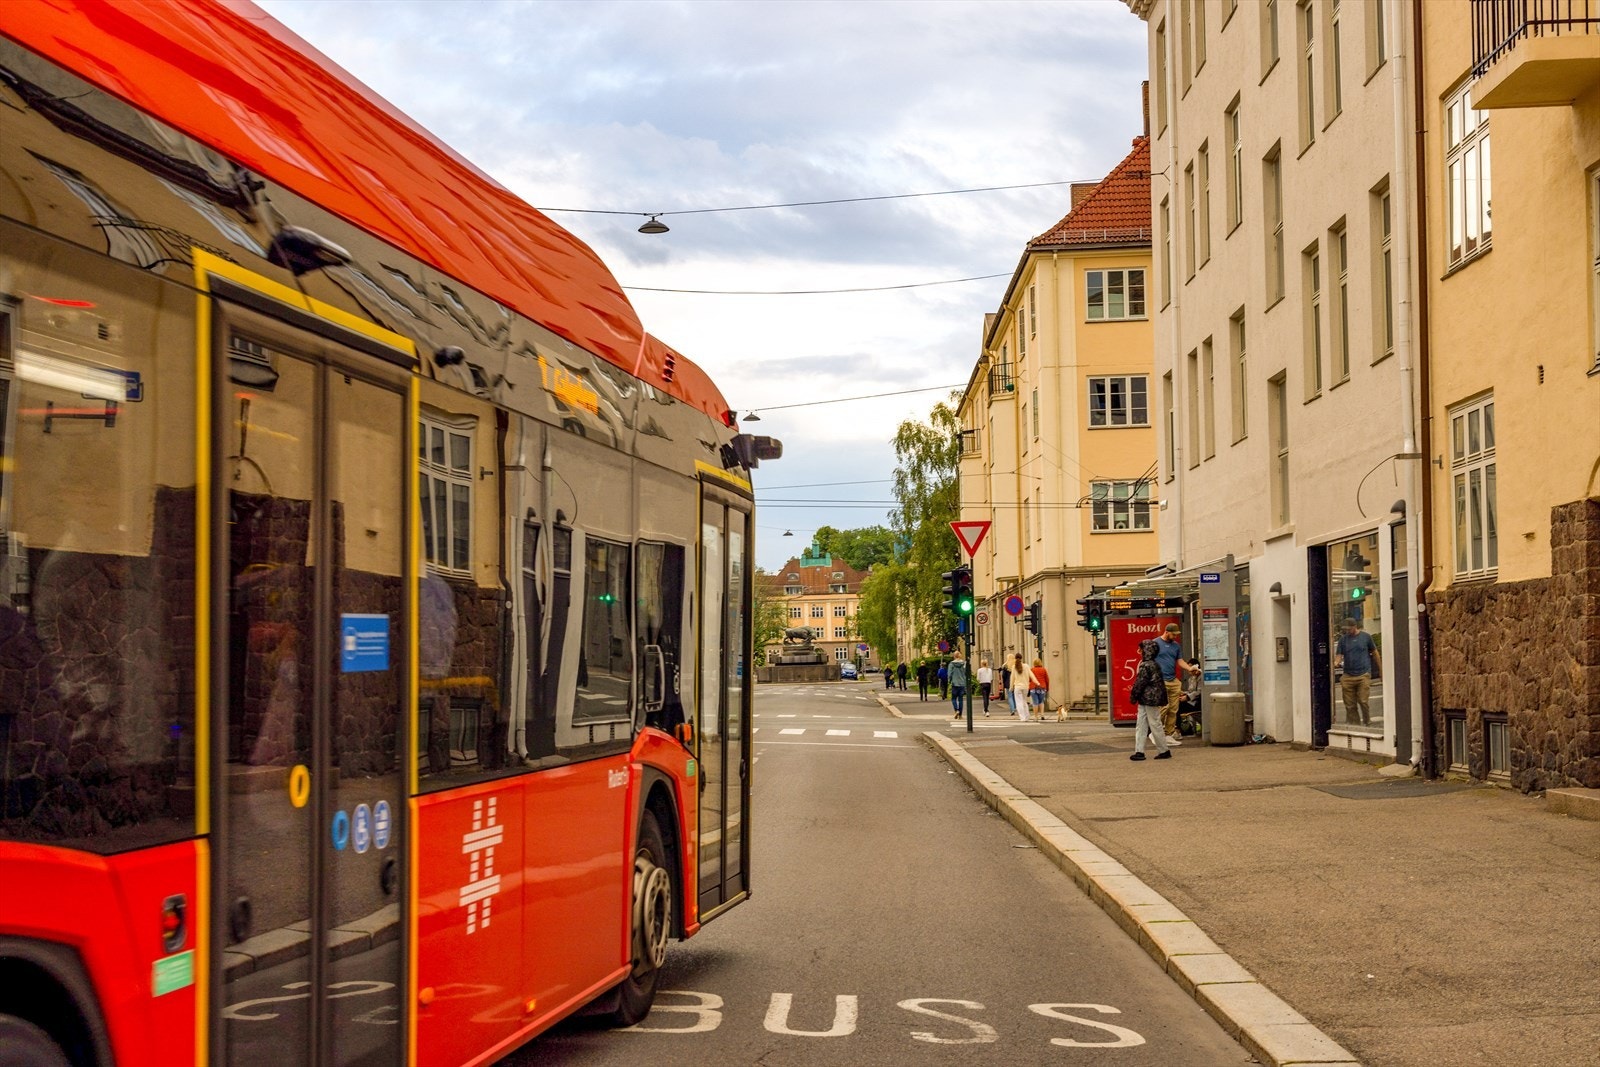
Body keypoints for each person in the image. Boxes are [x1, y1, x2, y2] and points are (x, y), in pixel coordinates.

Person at [1154, 622, 1200, 747]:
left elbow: (1179, 661)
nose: (1175, 637)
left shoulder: (1176, 646)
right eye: (1173, 634)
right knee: (1164, 707)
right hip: (1161, 679)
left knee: (1174, 709)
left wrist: (1189, 669)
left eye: (1176, 635)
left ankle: (1169, 734)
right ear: (1166, 632)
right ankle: (1155, 731)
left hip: (1173, 679)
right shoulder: (1155, 643)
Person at [1128, 639, 1172, 761]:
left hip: (1148, 698)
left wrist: (1133, 696)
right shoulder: (1154, 664)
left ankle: (1161, 750)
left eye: (1141, 649)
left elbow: (1140, 683)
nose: (1140, 651)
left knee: (1150, 724)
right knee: (1146, 724)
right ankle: (1141, 751)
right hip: (1149, 698)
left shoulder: (1145, 665)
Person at [1334, 616, 1381, 726]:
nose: (1347, 631)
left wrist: (1381, 669)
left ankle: (1367, 721)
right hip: (1348, 675)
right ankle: (1355, 725)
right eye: (1345, 629)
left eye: (1349, 629)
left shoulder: (1366, 637)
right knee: (1350, 704)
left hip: (1363, 674)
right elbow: (1339, 656)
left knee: (1363, 700)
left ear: (1355, 626)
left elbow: (1375, 653)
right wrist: (1336, 662)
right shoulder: (1343, 640)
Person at [1010, 652, 1032, 722]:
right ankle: (1027, 716)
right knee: (1024, 701)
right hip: (1025, 686)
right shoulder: (1026, 666)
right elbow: (1029, 675)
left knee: (1019, 703)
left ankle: (1022, 717)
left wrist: (1011, 687)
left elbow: (1012, 678)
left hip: (1018, 687)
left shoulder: (1014, 667)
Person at [948, 655, 968, 722]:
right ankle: (960, 715)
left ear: (954, 656)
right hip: (962, 683)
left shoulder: (951, 664)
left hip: (954, 683)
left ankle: (956, 710)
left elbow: (949, 674)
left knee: (953, 698)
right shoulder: (963, 664)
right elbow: (966, 673)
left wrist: (949, 681)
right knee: (961, 699)